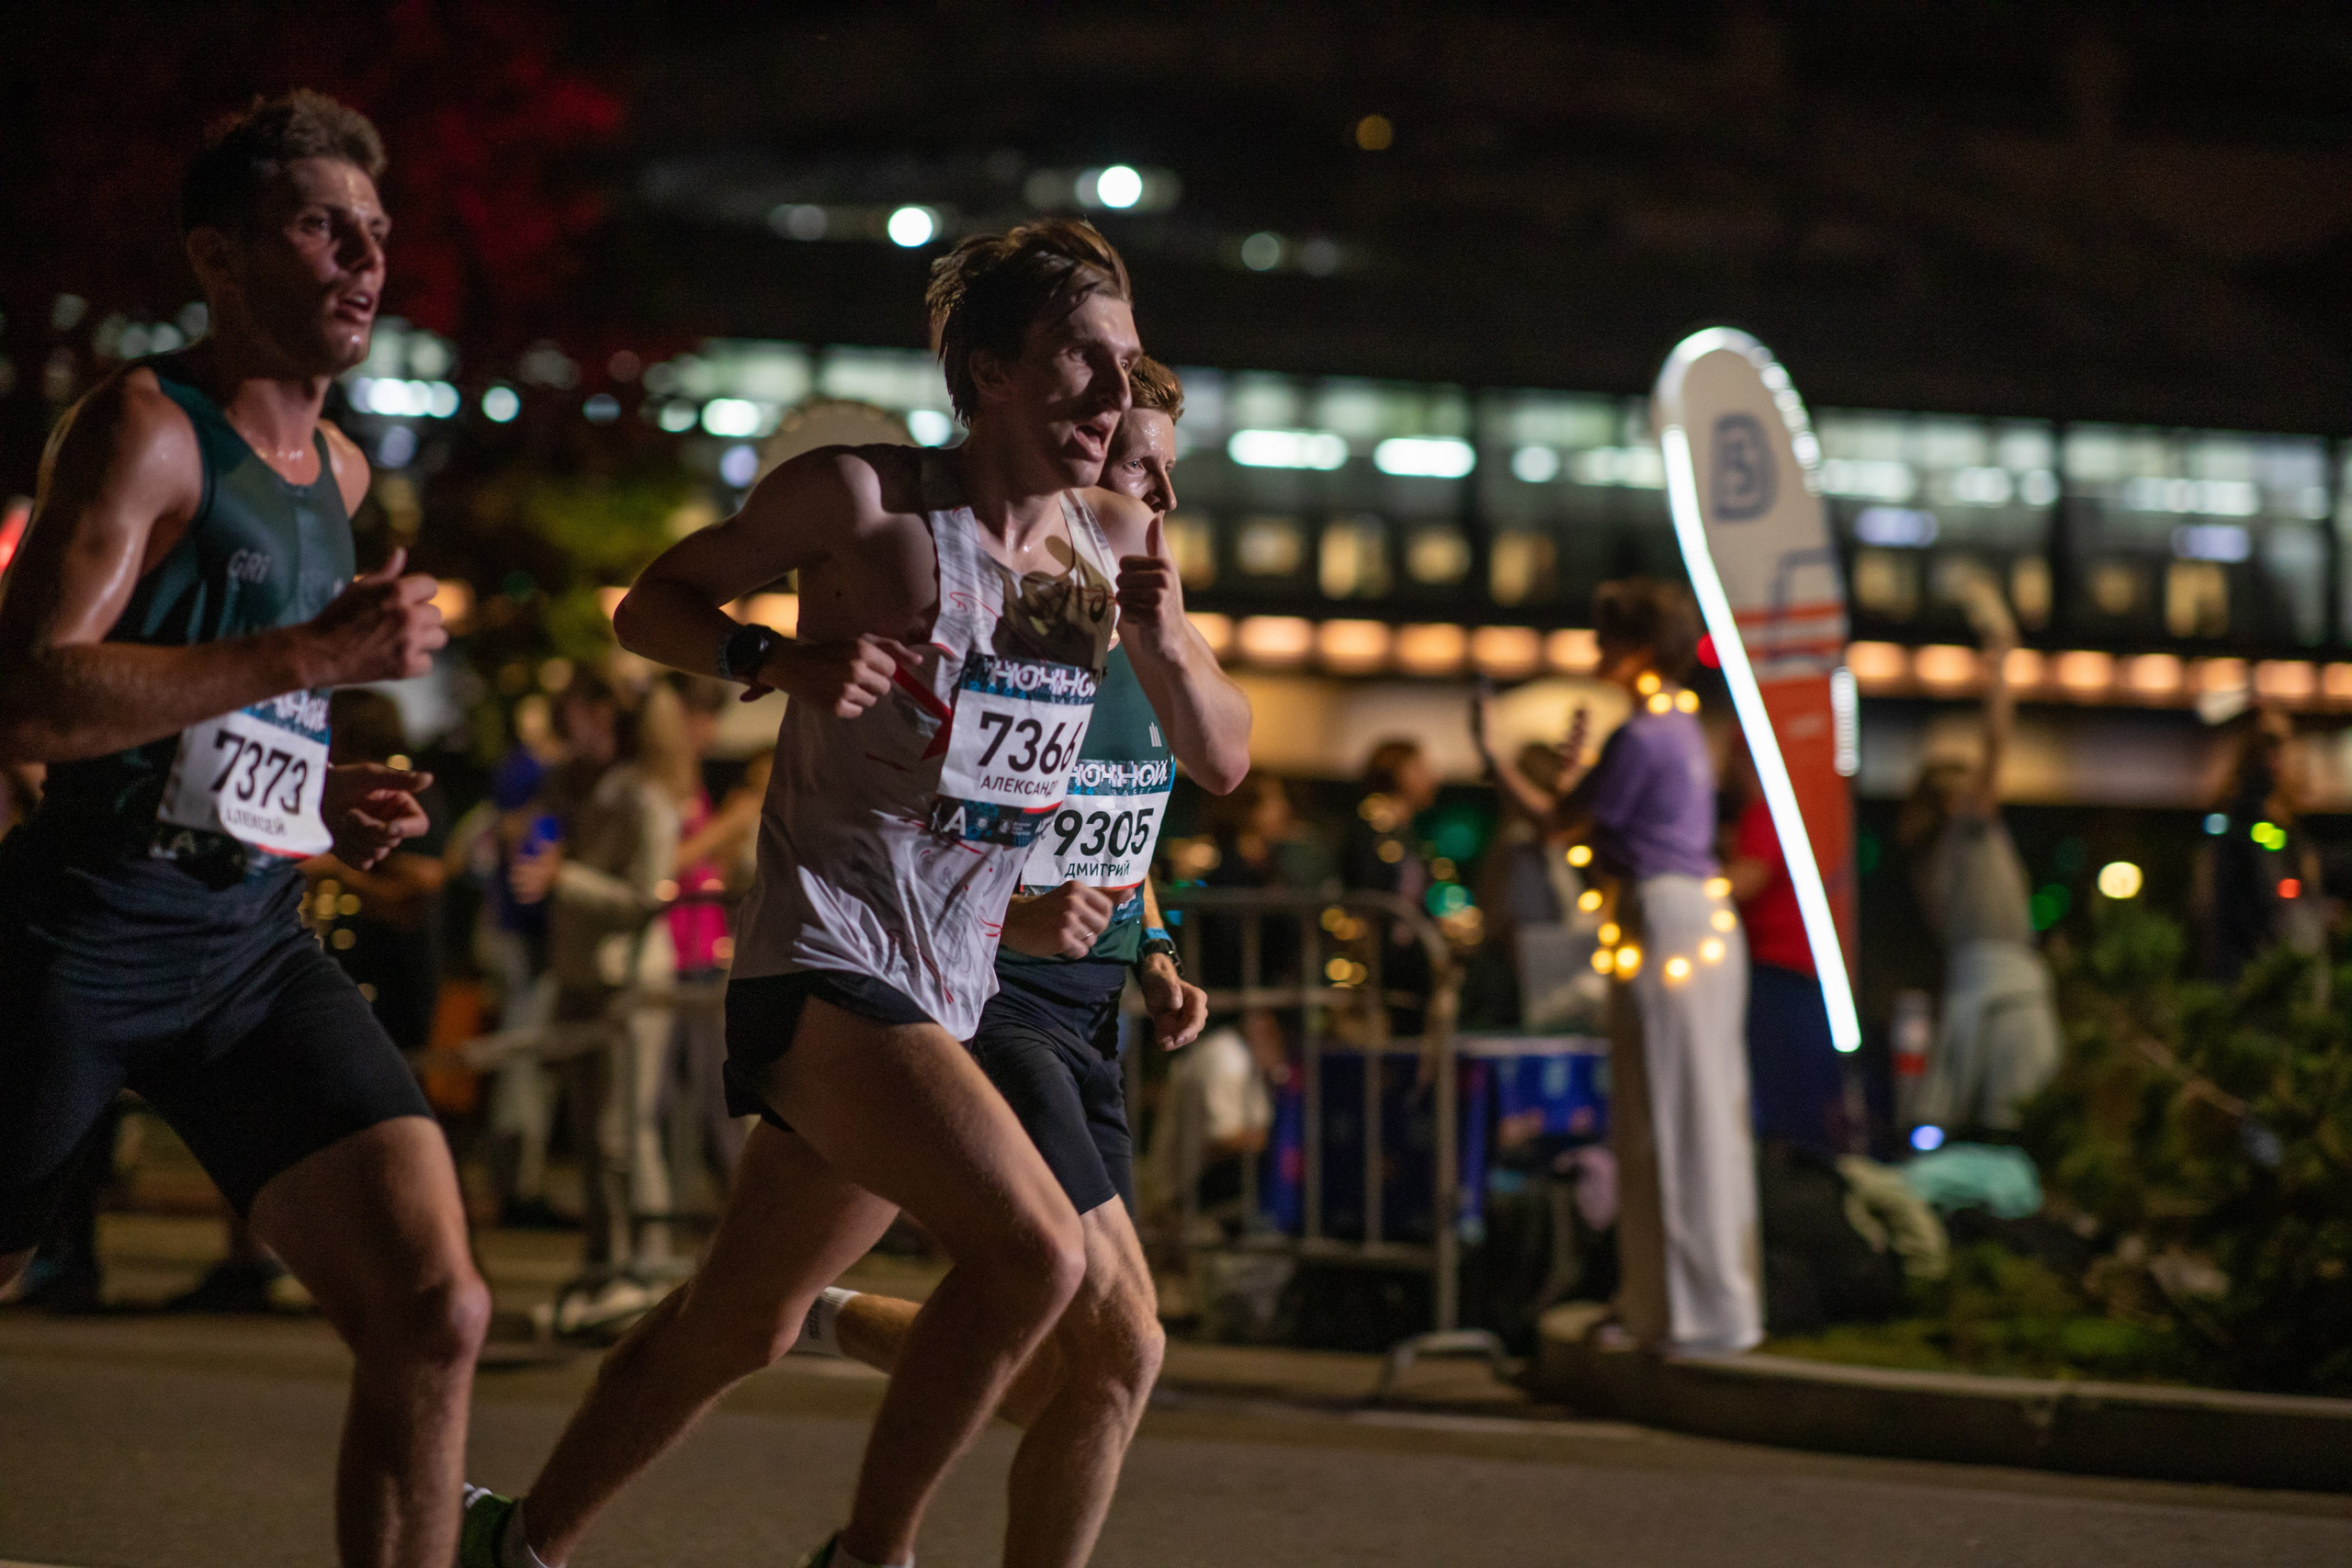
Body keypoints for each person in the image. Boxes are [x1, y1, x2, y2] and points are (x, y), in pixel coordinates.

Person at [462, 220, 1241, 1568]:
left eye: (1127, 364)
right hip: (827, 955)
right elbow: (650, 605)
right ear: (990, 372)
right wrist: (771, 661)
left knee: (741, 1320)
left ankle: (515, 1543)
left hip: (952, 982)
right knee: (1036, 1257)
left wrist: (1165, 638)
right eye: (1081, 361)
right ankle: (869, 1554)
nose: (1115, 394)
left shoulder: (1106, 542)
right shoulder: (861, 502)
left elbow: (1217, 761)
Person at [0, 92, 486, 1567]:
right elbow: (29, 697)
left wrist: (314, 790)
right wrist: (311, 657)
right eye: (322, 228)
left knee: (435, 1304)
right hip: (79, 931)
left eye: (378, 232)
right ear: (217, 255)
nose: (366, 261)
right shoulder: (147, 431)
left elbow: (220, 717)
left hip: (248, 946)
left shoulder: (340, 472)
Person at [801, 356, 1248, 1568]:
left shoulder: (1155, 621)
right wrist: (1013, 920)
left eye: (1168, 470)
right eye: (1135, 464)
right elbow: (919, 823)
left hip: (1093, 1005)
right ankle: (867, 1544)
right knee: (1126, 1343)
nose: (1158, 493)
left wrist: (1152, 945)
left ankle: (827, 1322)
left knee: (1072, 1361)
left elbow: (1132, 804)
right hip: (990, 997)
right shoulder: (1026, 612)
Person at [1477, 579, 1759, 1353]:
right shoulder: (1678, 726)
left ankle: (1681, 1313)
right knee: (1689, 1113)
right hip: (1690, 921)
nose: (1596, 652)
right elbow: (1596, 823)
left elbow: (1558, 825)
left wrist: (1496, 757)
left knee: (1665, 1115)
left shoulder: (1643, 735)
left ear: (1637, 648)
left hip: (1662, 921)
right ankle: (1682, 1304)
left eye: (1607, 639)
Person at [1896, 586, 2060, 1134]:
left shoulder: (1931, 858)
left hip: (1976, 992)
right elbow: (1995, 742)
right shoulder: (1964, 832)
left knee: (1973, 1122)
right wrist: (2003, 658)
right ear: (1952, 800)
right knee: (2016, 1123)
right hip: (2006, 996)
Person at [1721, 744, 1844, 1157]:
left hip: (1778, 968)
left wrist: (1687, 892)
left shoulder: (1765, 813)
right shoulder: (1787, 813)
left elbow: (1746, 880)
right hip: (1796, 968)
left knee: (1780, 1094)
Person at [2193, 706, 2325, 985]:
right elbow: (2250, 920)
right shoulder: (2244, 831)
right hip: (2256, 988)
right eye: (2275, 744)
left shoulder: (2286, 834)